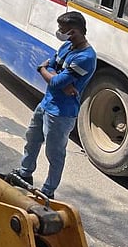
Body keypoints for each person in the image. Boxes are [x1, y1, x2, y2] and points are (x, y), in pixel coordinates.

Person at [11, 12, 96, 198]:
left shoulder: (86, 57)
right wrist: (54, 75)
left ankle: (48, 191)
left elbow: (54, 78)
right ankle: (25, 173)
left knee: (54, 154)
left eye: (62, 30)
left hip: (61, 113)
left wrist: (43, 70)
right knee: (32, 139)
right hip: (46, 103)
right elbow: (53, 68)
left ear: (74, 31)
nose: (59, 33)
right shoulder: (67, 46)